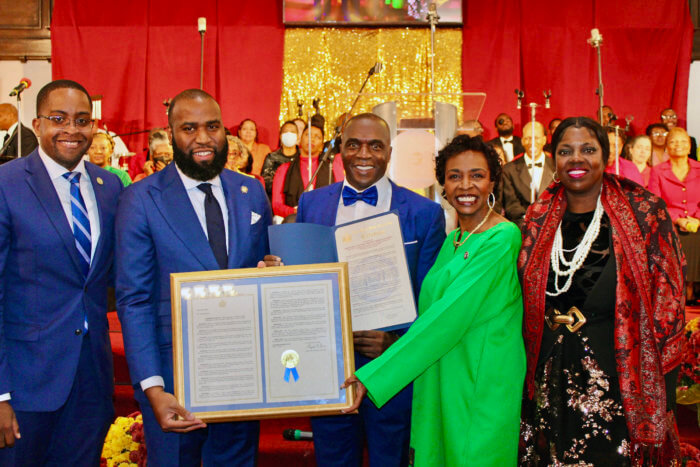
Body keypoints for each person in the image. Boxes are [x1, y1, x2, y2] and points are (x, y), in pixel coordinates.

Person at [343, 134, 526, 466]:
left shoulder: (503, 238)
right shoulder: (454, 238)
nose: (465, 186)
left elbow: (447, 317)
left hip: (480, 381)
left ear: (493, 181)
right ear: (443, 184)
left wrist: (375, 376)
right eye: (455, 176)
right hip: (442, 378)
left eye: (477, 175)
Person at [116, 89, 272, 466]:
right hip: (174, 382)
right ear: (171, 135)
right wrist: (153, 387)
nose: (203, 138)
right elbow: (134, 300)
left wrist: (273, 271)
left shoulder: (251, 191)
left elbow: (265, 271)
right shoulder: (140, 199)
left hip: (242, 373)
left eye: (212, 126)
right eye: (189, 128)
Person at [519, 117, 684, 465]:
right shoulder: (536, 217)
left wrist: (664, 389)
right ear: (554, 158)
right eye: (566, 151)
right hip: (550, 376)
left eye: (588, 150)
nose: (576, 159)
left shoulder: (644, 214)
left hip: (617, 378)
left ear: (606, 157)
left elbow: (669, 305)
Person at [294, 113, 445, 466]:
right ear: (340, 151)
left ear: (389, 152)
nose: (364, 154)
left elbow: (430, 300)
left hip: (392, 368)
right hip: (328, 366)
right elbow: (303, 281)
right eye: (354, 145)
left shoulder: (424, 212)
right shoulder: (311, 204)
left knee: (389, 460)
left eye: (375, 146)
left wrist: (394, 344)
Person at [0, 80, 122, 465]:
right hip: (25, 384)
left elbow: (126, 276)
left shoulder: (109, 188)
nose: (72, 129)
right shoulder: (6, 184)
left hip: (91, 381)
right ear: (37, 124)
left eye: (82, 120)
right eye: (59, 118)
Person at [648, 126, 700, 303]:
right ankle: (681, 293)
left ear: (689, 145)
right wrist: (678, 219)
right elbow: (656, 202)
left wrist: (697, 219)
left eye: (683, 141)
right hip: (670, 223)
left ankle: (694, 291)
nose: (678, 145)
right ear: (667, 147)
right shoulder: (658, 171)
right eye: (673, 141)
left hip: (697, 222)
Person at [271, 121, 344, 219]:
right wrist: (295, 211)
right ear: (300, 140)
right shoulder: (284, 169)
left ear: (322, 145)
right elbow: (276, 205)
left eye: (317, 137)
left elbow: (342, 199)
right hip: (294, 222)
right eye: (308, 135)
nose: (312, 139)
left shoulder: (333, 167)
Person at [498, 121, 555, 226]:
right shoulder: (509, 170)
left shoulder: (556, 166)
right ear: (522, 141)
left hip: (552, 226)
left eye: (536, 138)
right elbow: (512, 206)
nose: (531, 142)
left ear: (544, 140)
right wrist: (528, 223)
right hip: (521, 226)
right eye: (528, 138)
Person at [260, 120, 300, 196]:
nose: (289, 134)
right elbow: (266, 182)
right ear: (281, 136)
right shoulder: (272, 157)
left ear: (298, 136)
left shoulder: (302, 157)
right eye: (285, 132)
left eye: (292, 132)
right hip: (276, 197)